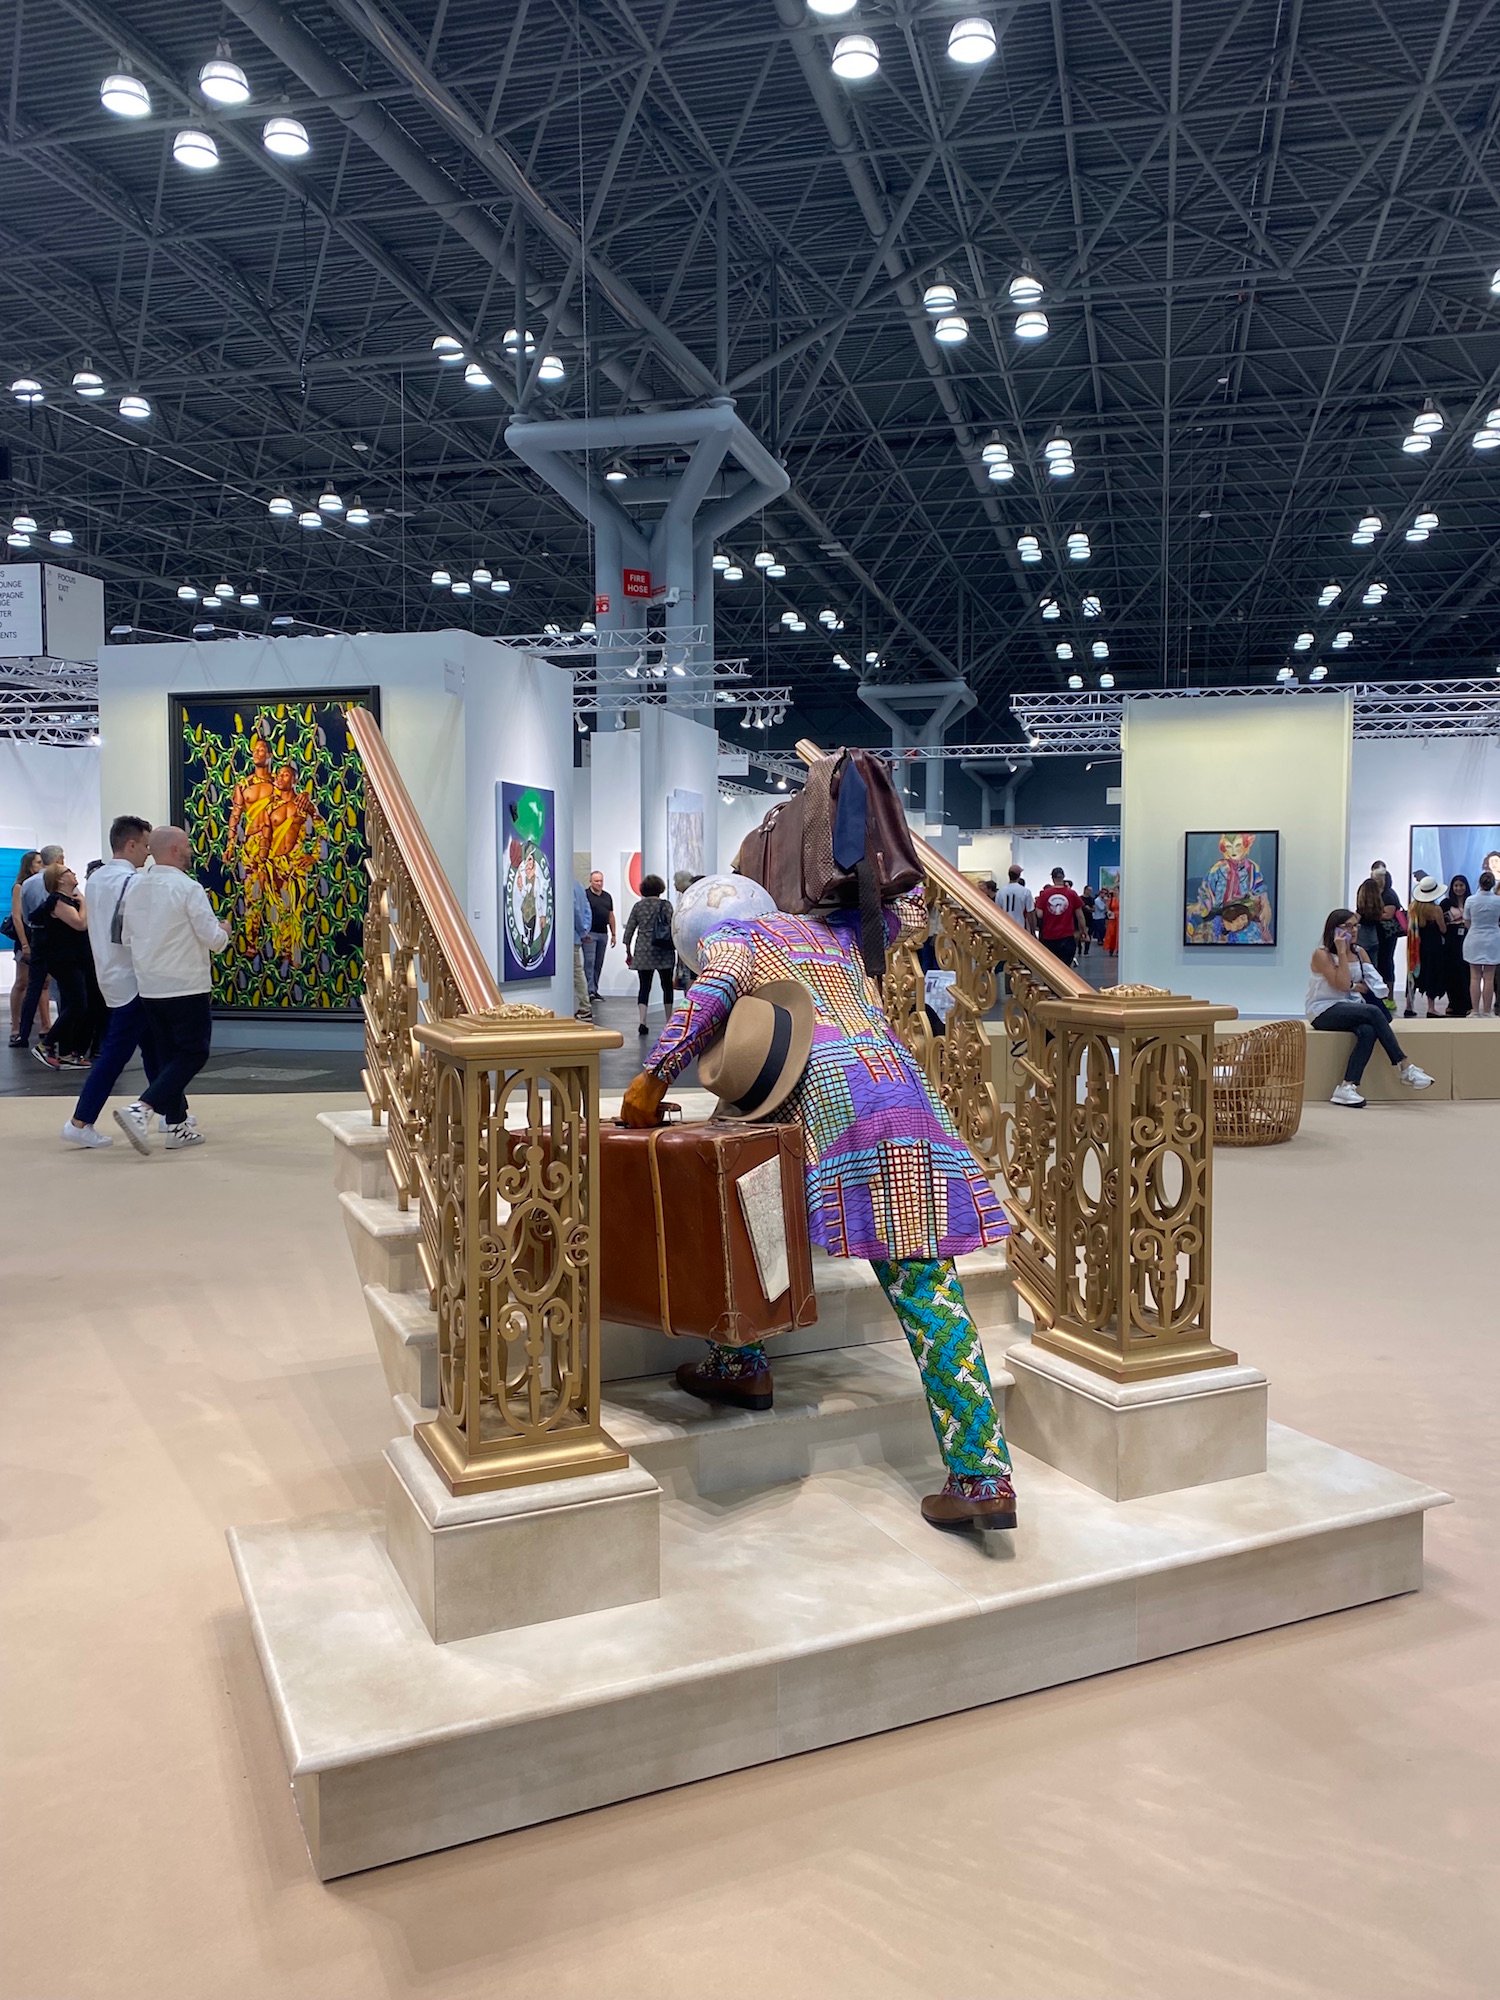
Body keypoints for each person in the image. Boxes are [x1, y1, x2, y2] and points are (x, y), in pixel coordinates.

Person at [619, 874, 1017, 1535]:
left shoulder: (737, 940)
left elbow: (709, 1000)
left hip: (835, 1104)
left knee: (757, 1220)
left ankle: (976, 1474)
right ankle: (977, 1468)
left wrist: (652, 1075)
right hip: (899, 1091)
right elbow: (904, 912)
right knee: (926, 1290)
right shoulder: (831, 933)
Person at [113, 825, 229, 1154]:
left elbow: (125, 938)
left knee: (167, 1056)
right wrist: (225, 930)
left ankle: (176, 1125)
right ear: (176, 849)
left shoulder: (133, 888)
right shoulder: (188, 888)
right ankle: (142, 1109)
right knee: (194, 1052)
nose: (191, 851)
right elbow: (214, 941)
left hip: (150, 986)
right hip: (186, 985)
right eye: (188, 845)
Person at [60, 815, 154, 1149]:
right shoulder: (133, 883)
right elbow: (131, 932)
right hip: (132, 977)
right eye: (145, 845)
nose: (148, 853)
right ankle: (80, 1119)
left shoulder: (97, 878)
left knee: (154, 1049)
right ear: (130, 844)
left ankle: (175, 1116)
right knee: (117, 1053)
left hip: (111, 974)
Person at [1306, 908, 1434, 1107]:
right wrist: (1341, 951)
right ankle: (1404, 1066)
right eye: (1346, 926)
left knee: (1368, 1031)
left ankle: (1347, 1086)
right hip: (1324, 1009)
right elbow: (1341, 984)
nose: (1353, 930)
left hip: (1351, 1007)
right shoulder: (1322, 955)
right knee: (1372, 1012)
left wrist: (1365, 986)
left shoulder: (1359, 952)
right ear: (1333, 930)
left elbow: (1374, 983)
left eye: (1355, 925)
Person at [31, 863, 93, 1069]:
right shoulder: (57, 901)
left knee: (74, 1004)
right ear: (59, 879)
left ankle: (66, 1052)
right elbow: (80, 924)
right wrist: (84, 903)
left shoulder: (67, 900)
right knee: (78, 1004)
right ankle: (46, 1043)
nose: (73, 873)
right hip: (64, 961)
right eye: (68, 872)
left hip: (73, 959)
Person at [14, 842, 64, 1046]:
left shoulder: (27, 884)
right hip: (59, 939)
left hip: (38, 937)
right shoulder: (61, 880)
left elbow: (25, 916)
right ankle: (63, 1032)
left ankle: (23, 1034)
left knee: (34, 987)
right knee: (65, 986)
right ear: (59, 859)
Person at [7, 850, 53, 1046]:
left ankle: (46, 1024)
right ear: (29, 865)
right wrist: (25, 943)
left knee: (43, 983)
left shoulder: (41, 884)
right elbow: (17, 917)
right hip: (27, 938)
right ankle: (15, 1025)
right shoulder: (20, 886)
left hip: (41, 938)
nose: (40, 866)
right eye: (37, 863)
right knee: (22, 981)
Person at [622, 873, 676, 1033]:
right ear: (660, 889)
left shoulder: (638, 906)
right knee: (667, 986)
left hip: (643, 949)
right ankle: (668, 1021)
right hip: (663, 949)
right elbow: (673, 925)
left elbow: (630, 930)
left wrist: (628, 952)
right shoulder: (666, 905)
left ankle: (642, 1021)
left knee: (644, 986)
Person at [1407, 876, 1448, 1017]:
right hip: (1434, 947)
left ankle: (1409, 1005)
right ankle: (1431, 1007)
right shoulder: (1436, 909)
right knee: (1432, 974)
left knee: (1413, 973)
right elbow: (1443, 929)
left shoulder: (1413, 907)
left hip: (1416, 946)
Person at [1463, 869, 1500, 1016]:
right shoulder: (1498, 900)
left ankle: (1475, 1010)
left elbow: (1467, 921)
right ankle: (1487, 1011)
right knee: (1489, 978)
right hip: (1493, 939)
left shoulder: (1470, 900)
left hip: (1475, 938)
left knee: (1475, 977)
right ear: (1492, 884)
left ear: (1479, 883)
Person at [1368, 861, 1403, 997]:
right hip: (1376, 933)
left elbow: (1388, 915)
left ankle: (1389, 996)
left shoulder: (1389, 895)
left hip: (1387, 935)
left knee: (1386, 962)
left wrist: (1370, 914)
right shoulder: (1375, 894)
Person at [1036, 867, 1084, 965]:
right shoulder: (1071, 893)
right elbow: (1080, 916)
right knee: (1065, 967)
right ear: (1063, 878)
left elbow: (1039, 914)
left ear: (1052, 879)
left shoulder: (1045, 894)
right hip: (1067, 936)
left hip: (1049, 936)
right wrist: (1083, 931)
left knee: (1050, 966)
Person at [1441, 875, 1472, 1018]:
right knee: (1451, 971)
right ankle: (1453, 1003)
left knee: (1466, 971)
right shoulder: (1446, 903)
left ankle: (1468, 1003)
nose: (1459, 888)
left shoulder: (1471, 901)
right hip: (1451, 939)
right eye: (1456, 885)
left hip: (1468, 937)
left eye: (1461, 885)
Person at [582, 869, 615, 1000]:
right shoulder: (585, 895)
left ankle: (594, 990)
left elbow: (611, 915)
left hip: (603, 934)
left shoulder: (607, 896)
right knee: (589, 962)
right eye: (596, 881)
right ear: (590, 881)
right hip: (590, 934)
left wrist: (614, 934)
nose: (599, 883)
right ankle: (589, 990)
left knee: (598, 963)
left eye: (601, 881)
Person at [570, 877, 593, 1022]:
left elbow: (576, 910)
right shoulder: (578, 885)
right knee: (578, 972)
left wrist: (581, 930)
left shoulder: (567, 885)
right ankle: (584, 1006)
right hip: (576, 937)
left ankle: (584, 1007)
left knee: (576, 974)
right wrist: (584, 930)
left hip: (569, 938)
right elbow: (587, 910)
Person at [996, 863, 1034, 934]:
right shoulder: (1025, 891)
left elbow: (997, 911)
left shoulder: (1000, 892)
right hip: (1020, 927)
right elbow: (1030, 913)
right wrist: (1032, 931)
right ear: (1019, 876)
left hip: (1005, 927)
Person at [1077, 884, 1097, 954]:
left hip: (1089, 918)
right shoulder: (1080, 898)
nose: (1089, 892)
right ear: (1085, 890)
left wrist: (1089, 909)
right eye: (1088, 890)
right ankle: (1079, 948)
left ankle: (1086, 950)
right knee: (1079, 933)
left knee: (1089, 933)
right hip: (1081, 917)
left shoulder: (1091, 899)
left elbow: (1094, 909)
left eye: (1091, 890)